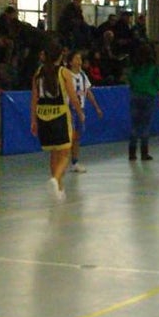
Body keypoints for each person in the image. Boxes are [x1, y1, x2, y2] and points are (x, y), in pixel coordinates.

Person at [29, 39, 83, 199]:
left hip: (43, 116)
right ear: (60, 56)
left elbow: (34, 98)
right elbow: (73, 97)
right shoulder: (63, 72)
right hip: (60, 115)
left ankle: (58, 189)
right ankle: (56, 179)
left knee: (54, 152)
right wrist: (80, 112)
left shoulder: (38, 73)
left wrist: (33, 120)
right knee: (65, 152)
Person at [125, 41, 159, 161]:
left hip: (135, 96)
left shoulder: (133, 69)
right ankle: (144, 152)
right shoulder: (153, 68)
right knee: (145, 125)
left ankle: (132, 153)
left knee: (135, 125)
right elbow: (157, 84)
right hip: (148, 97)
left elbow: (130, 82)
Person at [67, 50, 103, 173]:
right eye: (76, 58)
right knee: (69, 137)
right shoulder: (66, 75)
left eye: (80, 59)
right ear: (70, 62)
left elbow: (88, 93)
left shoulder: (82, 76)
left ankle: (75, 162)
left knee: (77, 137)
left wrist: (96, 107)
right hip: (69, 109)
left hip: (80, 109)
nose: (79, 61)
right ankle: (62, 161)